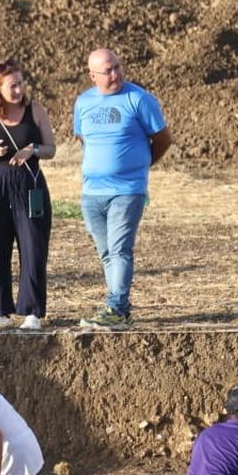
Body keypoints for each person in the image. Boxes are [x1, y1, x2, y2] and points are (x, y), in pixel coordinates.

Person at [72, 47, 172, 330]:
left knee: (119, 249)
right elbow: (84, 139)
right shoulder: (83, 103)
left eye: (117, 67)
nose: (115, 74)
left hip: (127, 190)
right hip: (92, 193)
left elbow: (163, 139)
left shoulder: (138, 99)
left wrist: (139, 165)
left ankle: (117, 308)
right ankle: (119, 311)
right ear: (92, 76)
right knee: (107, 252)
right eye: (108, 71)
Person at [0, 57, 57, 332]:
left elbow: (51, 148)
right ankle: (0, 311)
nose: (18, 90)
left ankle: (33, 312)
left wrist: (33, 149)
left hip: (30, 186)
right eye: (12, 86)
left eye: (20, 83)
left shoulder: (36, 110)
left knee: (33, 247)